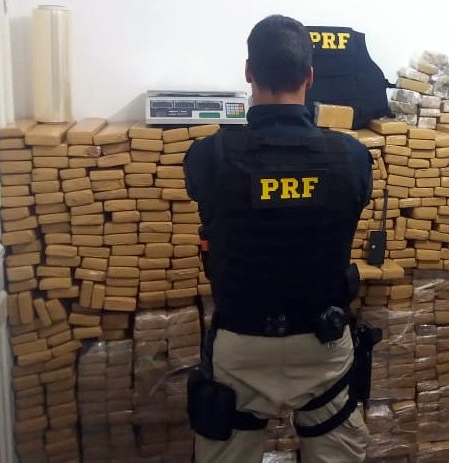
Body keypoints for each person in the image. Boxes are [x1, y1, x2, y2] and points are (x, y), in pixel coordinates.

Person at [184, 14, 372, 463]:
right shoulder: (351, 157)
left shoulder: (209, 156)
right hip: (323, 347)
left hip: (241, 346)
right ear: (310, 76)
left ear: (249, 72)